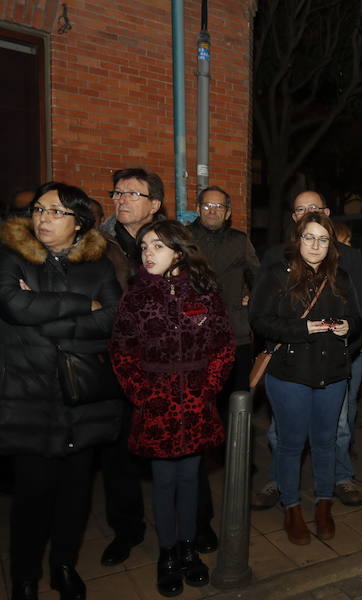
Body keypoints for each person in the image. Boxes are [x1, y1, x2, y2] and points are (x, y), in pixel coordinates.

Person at [0, 182, 123, 600]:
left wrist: (42, 311)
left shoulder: (99, 267)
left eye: (55, 212)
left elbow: (113, 319)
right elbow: (13, 306)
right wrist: (82, 305)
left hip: (81, 398)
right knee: (31, 495)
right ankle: (24, 576)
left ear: (79, 222)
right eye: (39, 209)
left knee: (75, 493)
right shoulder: (11, 256)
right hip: (28, 396)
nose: (43, 218)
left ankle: (64, 565)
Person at [110, 220, 235, 596]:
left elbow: (223, 346)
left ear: (179, 252)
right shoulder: (135, 296)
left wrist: (207, 388)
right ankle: (167, 554)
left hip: (196, 404)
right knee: (164, 481)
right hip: (157, 406)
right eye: (144, 246)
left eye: (158, 246)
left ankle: (188, 549)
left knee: (190, 478)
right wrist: (143, 394)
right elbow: (121, 352)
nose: (148, 253)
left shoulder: (205, 293)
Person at [254, 190, 362, 510]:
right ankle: (290, 505)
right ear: (298, 238)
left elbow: (359, 316)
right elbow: (259, 320)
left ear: (331, 242)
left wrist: (349, 328)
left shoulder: (341, 275)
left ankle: (324, 504)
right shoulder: (278, 272)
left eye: (323, 239)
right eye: (309, 237)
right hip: (289, 371)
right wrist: (303, 329)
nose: (316, 245)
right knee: (290, 442)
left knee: (326, 440)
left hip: (331, 371)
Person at [98, 167, 166, 566]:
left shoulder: (172, 241)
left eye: (132, 194)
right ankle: (126, 530)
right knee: (117, 453)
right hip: (115, 362)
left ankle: (188, 526)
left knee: (172, 447)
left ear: (154, 204)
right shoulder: (97, 244)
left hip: (164, 364)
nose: (121, 199)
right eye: (117, 193)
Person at [187, 186, 260, 551]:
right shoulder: (185, 239)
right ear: (198, 208)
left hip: (236, 336)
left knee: (239, 402)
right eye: (207, 204)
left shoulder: (240, 240)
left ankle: (239, 460)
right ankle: (201, 461)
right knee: (203, 407)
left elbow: (258, 276)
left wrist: (253, 298)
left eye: (219, 205)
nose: (213, 210)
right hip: (197, 339)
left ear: (228, 211)